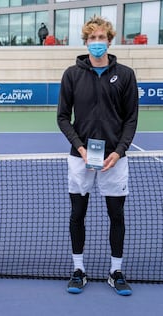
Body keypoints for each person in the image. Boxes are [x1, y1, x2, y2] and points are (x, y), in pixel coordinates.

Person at [57, 16, 138, 296]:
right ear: (86, 41)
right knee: (77, 214)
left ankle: (116, 271)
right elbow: (63, 118)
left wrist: (118, 152)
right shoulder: (72, 74)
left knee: (116, 215)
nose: (97, 43)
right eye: (92, 38)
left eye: (102, 38)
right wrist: (80, 147)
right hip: (80, 158)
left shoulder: (125, 75)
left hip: (115, 159)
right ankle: (78, 269)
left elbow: (131, 119)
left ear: (109, 40)